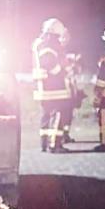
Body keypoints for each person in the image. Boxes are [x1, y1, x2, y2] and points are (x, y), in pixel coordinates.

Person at [31, 18, 72, 153]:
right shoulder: (49, 45)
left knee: (46, 115)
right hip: (54, 87)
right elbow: (48, 62)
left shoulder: (40, 43)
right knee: (57, 114)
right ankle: (54, 145)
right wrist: (62, 71)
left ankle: (44, 143)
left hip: (44, 87)